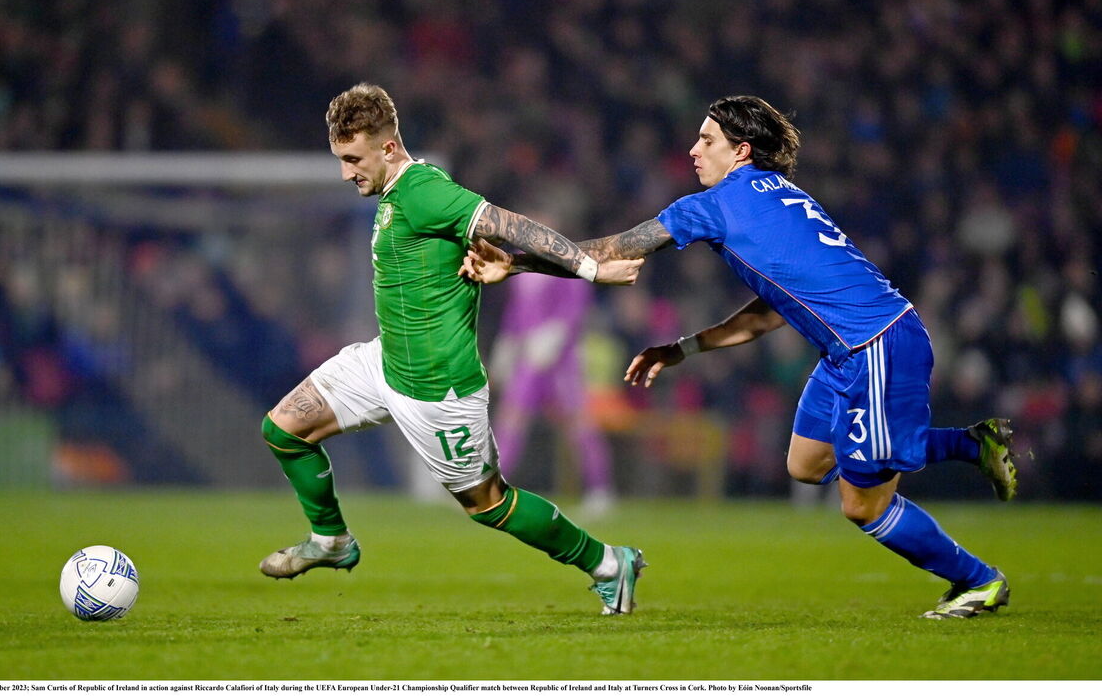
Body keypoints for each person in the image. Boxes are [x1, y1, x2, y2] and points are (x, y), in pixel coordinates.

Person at [462, 95, 1019, 619]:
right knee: (806, 465)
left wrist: (514, 262)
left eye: (706, 140)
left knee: (862, 503)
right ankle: (972, 443)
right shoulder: (781, 194)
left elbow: (610, 251)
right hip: (847, 351)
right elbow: (772, 309)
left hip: (875, 345)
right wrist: (684, 347)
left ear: (740, 150)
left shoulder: (715, 205)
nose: (693, 150)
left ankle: (978, 579)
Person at [257, 82, 647, 615]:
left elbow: (514, 226)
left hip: (437, 387)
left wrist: (590, 270)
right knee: (283, 428)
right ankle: (331, 541)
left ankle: (609, 563)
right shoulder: (397, 193)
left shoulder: (421, 190)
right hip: (385, 361)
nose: (346, 172)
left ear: (388, 147)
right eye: (340, 159)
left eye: (352, 159)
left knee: (489, 505)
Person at [491, 268, 616, 516]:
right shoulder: (520, 258)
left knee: (578, 424)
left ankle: (600, 490)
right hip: (529, 358)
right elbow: (517, 307)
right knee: (510, 419)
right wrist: (507, 341)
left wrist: (557, 333)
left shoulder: (563, 255)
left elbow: (577, 304)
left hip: (561, 360)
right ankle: (491, 488)